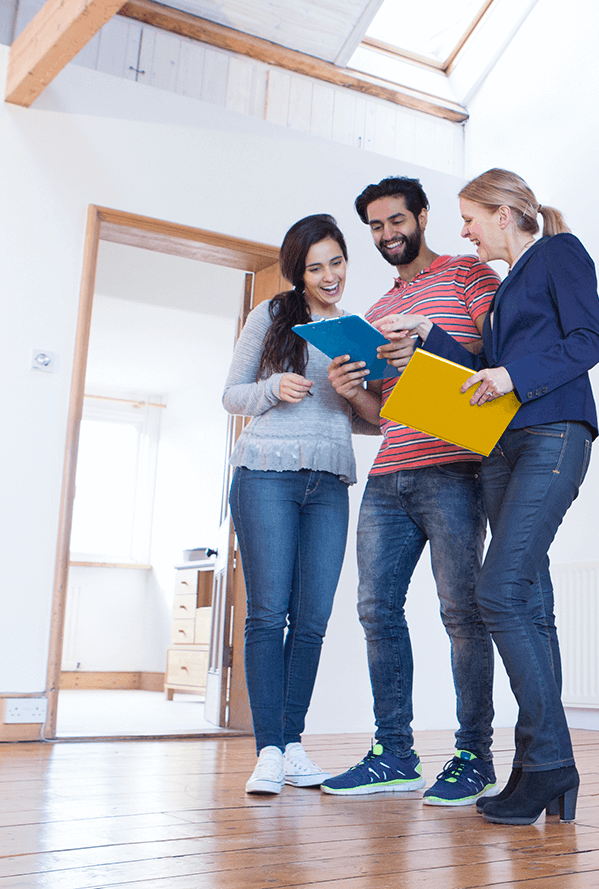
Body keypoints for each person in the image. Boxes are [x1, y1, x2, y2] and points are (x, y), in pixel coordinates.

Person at [380, 168, 599, 825]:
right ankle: (541, 767)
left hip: (553, 435)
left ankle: (548, 763)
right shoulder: (507, 291)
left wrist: (510, 373)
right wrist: (431, 338)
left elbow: (588, 340)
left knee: (497, 591)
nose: (463, 231)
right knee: (527, 599)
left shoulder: (561, 254)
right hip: (503, 448)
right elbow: (485, 372)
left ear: (503, 213)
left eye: (469, 218)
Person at [319, 177, 503, 806]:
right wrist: (351, 392)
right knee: (376, 611)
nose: (387, 235)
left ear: (422, 216)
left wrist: (428, 339)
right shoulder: (372, 315)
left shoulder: (467, 274)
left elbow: (497, 355)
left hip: (454, 468)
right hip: (389, 474)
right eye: (375, 227)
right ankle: (394, 754)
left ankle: (474, 756)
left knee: (461, 613)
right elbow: (382, 414)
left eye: (396, 220)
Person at [222, 214, 381, 795]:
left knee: (311, 621)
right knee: (268, 614)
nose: (329, 275)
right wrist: (273, 390)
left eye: (336, 262)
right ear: (298, 272)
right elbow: (231, 394)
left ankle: (291, 744)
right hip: (265, 473)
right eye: (315, 267)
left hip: (329, 482)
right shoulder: (272, 316)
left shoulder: (358, 330)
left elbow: (374, 422)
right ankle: (268, 750)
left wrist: (353, 393)